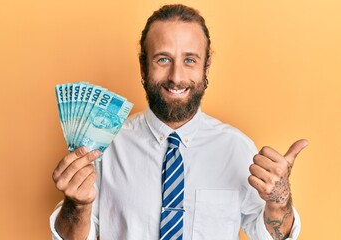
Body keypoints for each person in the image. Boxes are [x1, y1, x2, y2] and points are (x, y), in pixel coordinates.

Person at [50, 4, 308, 240]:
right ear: (143, 67)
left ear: (206, 67)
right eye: (163, 59)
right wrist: (78, 205)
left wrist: (279, 200)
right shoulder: (103, 146)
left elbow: (274, 237)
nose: (176, 77)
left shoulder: (237, 148)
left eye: (189, 60)